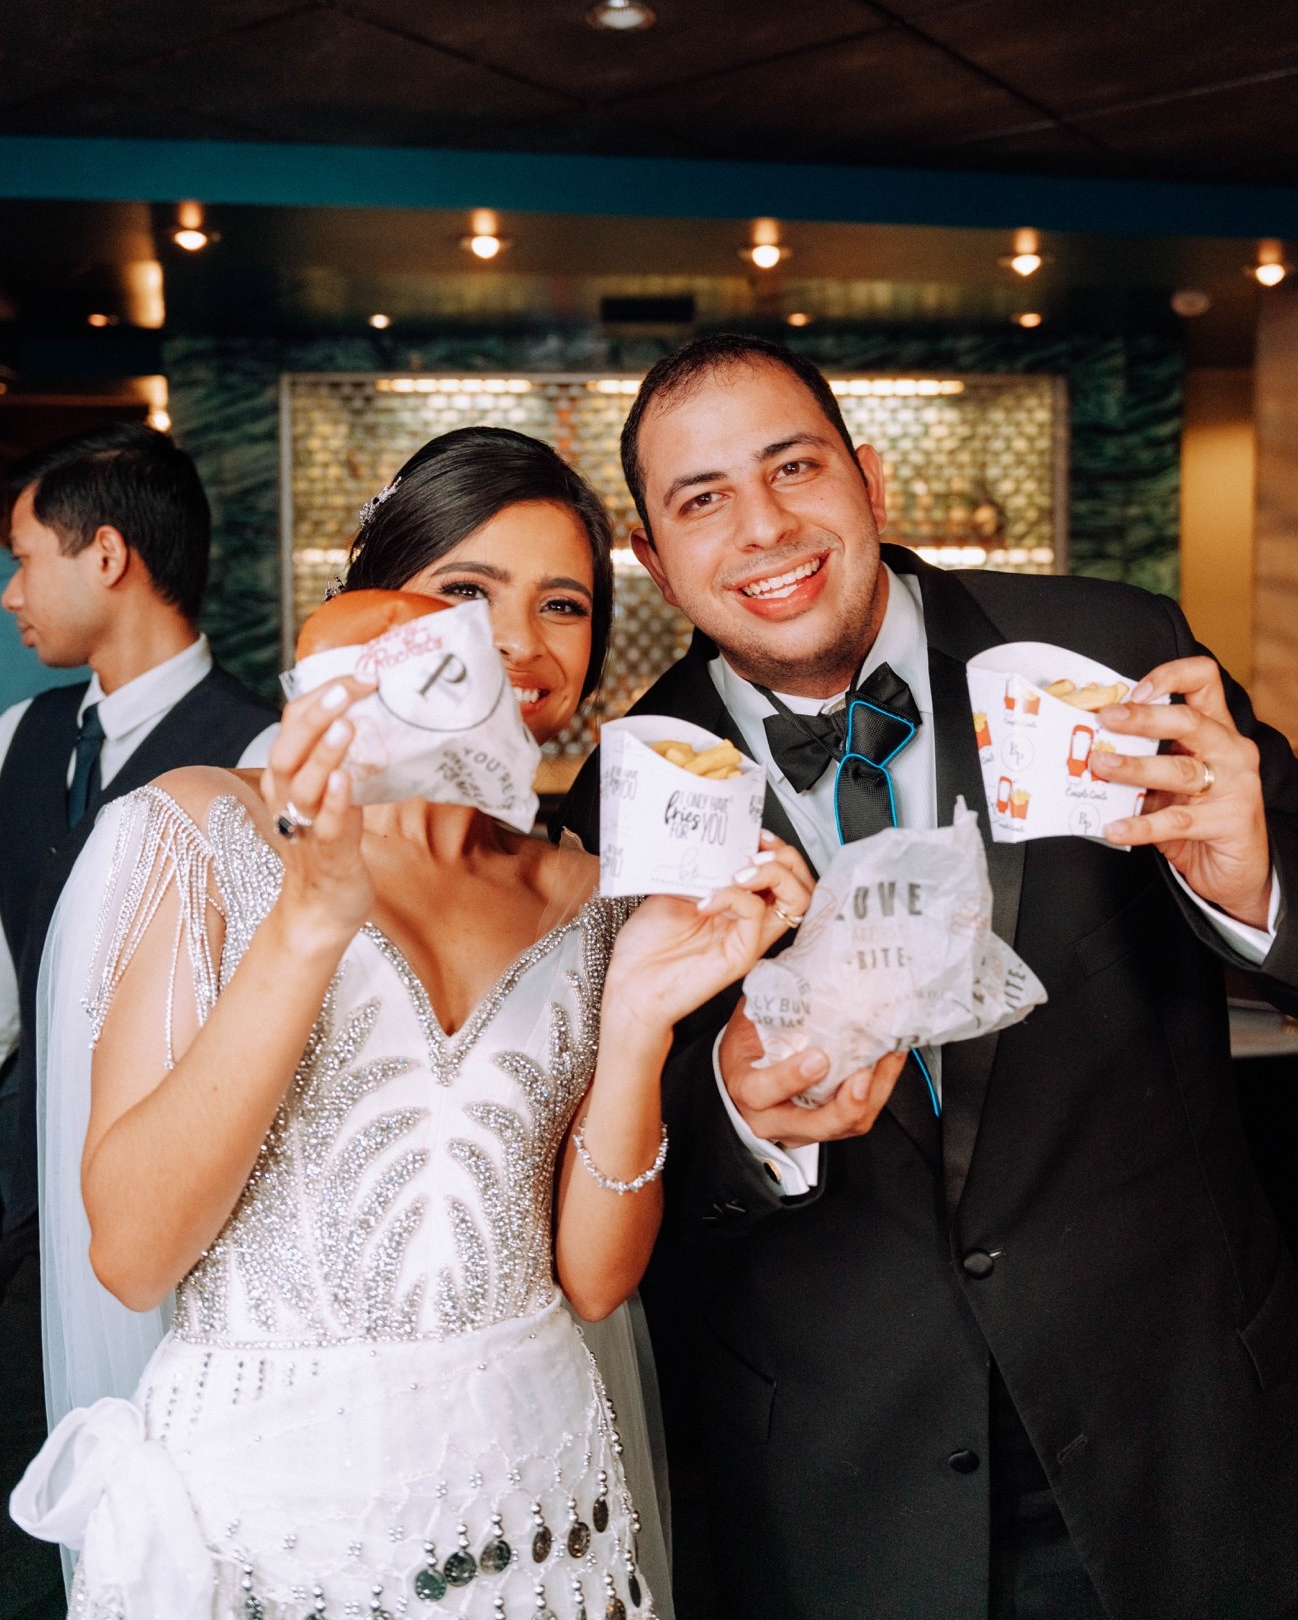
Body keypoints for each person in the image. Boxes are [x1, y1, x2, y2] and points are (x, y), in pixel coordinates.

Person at [12, 426, 812, 1620]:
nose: (516, 643)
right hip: (268, 1533)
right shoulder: (202, 831)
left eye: (563, 603)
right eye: (463, 592)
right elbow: (129, 1252)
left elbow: (594, 1282)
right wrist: (310, 917)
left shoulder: (590, 897)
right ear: (375, 610)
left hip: (535, 1516)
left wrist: (641, 1015)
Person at [559, 334, 1298, 1620]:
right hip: (852, 1497)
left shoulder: (1104, 644)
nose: (765, 526)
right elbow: (613, 1157)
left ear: (869, 478)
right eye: (702, 499)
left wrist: (1249, 877)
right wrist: (732, 1108)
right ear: (651, 557)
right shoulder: (623, 797)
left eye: (794, 466)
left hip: (1181, 1436)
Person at [0, 423, 279, 1620]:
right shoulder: (19, 739)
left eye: (21, 557)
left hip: (186, 1253)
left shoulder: (263, 757)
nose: (11, 593)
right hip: (18, 1214)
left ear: (105, 553)